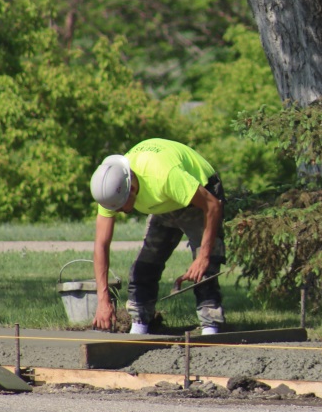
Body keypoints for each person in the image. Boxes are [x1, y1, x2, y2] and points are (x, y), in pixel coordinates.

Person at [89, 138, 226, 335]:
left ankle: (211, 329)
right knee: (144, 267)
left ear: (132, 190)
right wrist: (103, 300)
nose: (117, 212)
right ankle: (139, 327)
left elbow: (213, 205)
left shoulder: (163, 175)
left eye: (120, 208)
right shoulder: (111, 186)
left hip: (200, 195)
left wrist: (204, 255)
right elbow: (101, 245)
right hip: (164, 201)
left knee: (204, 270)